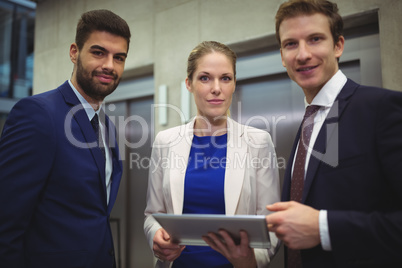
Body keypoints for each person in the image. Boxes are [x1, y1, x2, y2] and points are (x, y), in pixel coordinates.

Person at [265, 0, 402, 267]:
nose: (302, 54)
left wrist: (323, 228)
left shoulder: (381, 109)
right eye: (291, 44)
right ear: (282, 56)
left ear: (338, 45)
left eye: (315, 39)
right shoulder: (308, 122)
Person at [0, 10, 130, 268]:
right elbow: (6, 221)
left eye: (119, 57)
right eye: (98, 52)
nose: (109, 65)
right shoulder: (38, 114)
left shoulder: (107, 126)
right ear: (74, 52)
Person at [144, 41, 280, 268]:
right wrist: (155, 237)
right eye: (205, 78)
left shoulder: (258, 142)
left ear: (234, 83)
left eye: (225, 78)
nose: (216, 88)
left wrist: (250, 261)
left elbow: (271, 224)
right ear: (189, 83)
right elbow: (152, 214)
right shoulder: (165, 142)